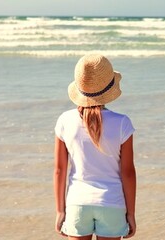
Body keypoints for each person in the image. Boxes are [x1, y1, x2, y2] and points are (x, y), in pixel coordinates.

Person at [54, 54, 136, 240]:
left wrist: (60, 210)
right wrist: (130, 213)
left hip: (77, 202)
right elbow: (128, 173)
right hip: (112, 203)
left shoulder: (65, 120)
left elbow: (59, 170)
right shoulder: (122, 123)